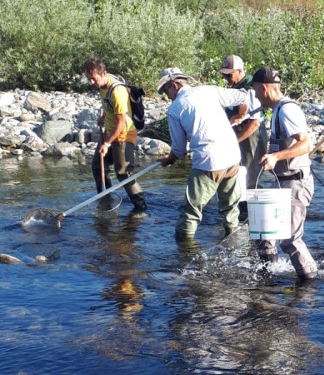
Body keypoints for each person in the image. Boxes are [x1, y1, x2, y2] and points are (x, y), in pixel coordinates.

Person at [156, 68, 247, 242]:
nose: (166, 96)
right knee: (230, 210)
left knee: (190, 212)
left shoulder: (175, 109)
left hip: (209, 162)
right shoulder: (209, 90)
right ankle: (234, 243)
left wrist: (169, 160)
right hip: (233, 157)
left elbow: (179, 150)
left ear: (175, 85)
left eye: (166, 90)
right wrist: (241, 115)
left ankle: (184, 251)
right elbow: (243, 96)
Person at [250, 66, 318, 281]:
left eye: (254, 90)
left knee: (289, 239)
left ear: (263, 88)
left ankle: (310, 283)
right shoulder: (277, 110)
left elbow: (306, 144)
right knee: (263, 232)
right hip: (283, 182)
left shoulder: (287, 110)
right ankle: (268, 276)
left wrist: (275, 157)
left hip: (296, 183)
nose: (254, 95)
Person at [83, 57, 147, 212]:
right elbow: (109, 107)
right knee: (98, 166)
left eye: (94, 78)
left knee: (123, 173)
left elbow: (122, 122)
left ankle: (141, 208)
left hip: (123, 135)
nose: (91, 82)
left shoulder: (117, 91)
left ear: (103, 73)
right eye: (88, 79)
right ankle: (106, 202)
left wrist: (107, 143)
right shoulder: (102, 85)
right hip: (110, 133)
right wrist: (103, 117)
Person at [219, 54, 268, 211]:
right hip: (240, 138)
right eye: (224, 74)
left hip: (251, 137)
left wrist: (235, 141)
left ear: (240, 71)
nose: (226, 77)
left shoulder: (251, 91)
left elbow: (254, 124)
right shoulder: (235, 89)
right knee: (239, 175)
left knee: (250, 177)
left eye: (229, 74)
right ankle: (241, 211)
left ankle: (252, 213)